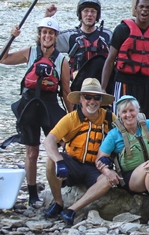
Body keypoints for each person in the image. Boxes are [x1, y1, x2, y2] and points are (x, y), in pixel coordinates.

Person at [0, 17, 73, 206]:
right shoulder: (30, 52)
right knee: (31, 152)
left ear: (56, 37)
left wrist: (73, 115)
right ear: (39, 35)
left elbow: (66, 91)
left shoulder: (62, 60)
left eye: (50, 33)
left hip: (50, 107)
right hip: (29, 105)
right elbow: (3, 59)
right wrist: (12, 37)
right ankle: (33, 194)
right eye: (44, 32)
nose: (47, 36)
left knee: (54, 151)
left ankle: (56, 190)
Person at [42, 78, 117, 226]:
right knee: (50, 160)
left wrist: (110, 159)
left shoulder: (110, 118)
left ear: (101, 100)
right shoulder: (71, 118)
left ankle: (71, 210)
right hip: (72, 164)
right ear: (81, 99)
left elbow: (121, 141)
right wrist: (59, 161)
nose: (92, 101)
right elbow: (48, 140)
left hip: (96, 167)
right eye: (88, 97)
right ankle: (58, 203)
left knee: (108, 180)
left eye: (96, 97)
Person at [101, 0, 149, 122]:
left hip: (146, 84)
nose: (144, 10)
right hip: (124, 81)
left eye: (148, 7)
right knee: (123, 122)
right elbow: (110, 60)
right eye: (141, 7)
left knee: (147, 122)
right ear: (135, 9)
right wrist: (103, 88)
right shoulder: (122, 30)